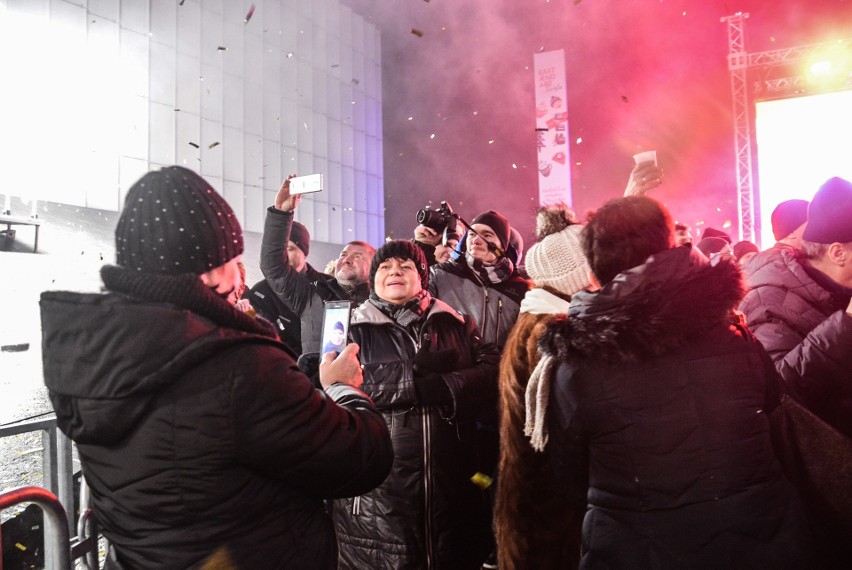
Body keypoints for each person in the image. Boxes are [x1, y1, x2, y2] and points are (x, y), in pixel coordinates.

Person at [39, 166, 393, 569]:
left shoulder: (89, 351)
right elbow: (361, 458)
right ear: (211, 267)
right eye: (232, 256)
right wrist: (342, 388)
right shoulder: (238, 364)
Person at [518, 195, 812, 567]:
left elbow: (569, 476)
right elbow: (774, 414)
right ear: (669, 246)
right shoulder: (734, 332)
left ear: (594, 270)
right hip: (763, 541)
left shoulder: (575, 364)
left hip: (637, 550)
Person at [332, 240, 501, 569]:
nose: (395, 271)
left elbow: (493, 372)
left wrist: (443, 385)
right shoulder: (345, 326)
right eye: (385, 266)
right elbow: (332, 384)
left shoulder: (458, 323)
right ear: (374, 278)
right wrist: (414, 378)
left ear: (422, 276)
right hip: (376, 504)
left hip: (451, 499)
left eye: (406, 266)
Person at [495, 204, 593, 570]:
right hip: (552, 514)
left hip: (540, 505)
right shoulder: (549, 333)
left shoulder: (542, 318)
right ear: (576, 279)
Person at [740, 177, 852, 438]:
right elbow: (779, 392)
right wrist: (846, 326)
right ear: (838, 253)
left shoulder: (840, 288)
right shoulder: (767, 298)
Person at [260, 174, 375, 355]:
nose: (346, 259)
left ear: (374, 269)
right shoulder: (314, 295)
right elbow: (274, 268)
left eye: (358, 256)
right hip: (318, 383)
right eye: (343, 254)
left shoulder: (382, 303)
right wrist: (281, 214)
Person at [243, 219, 312, 353]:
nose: (282, 255)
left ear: (305, 253)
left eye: (290, 249)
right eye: (277, 250)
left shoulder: (325, 287)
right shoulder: (259, 294)